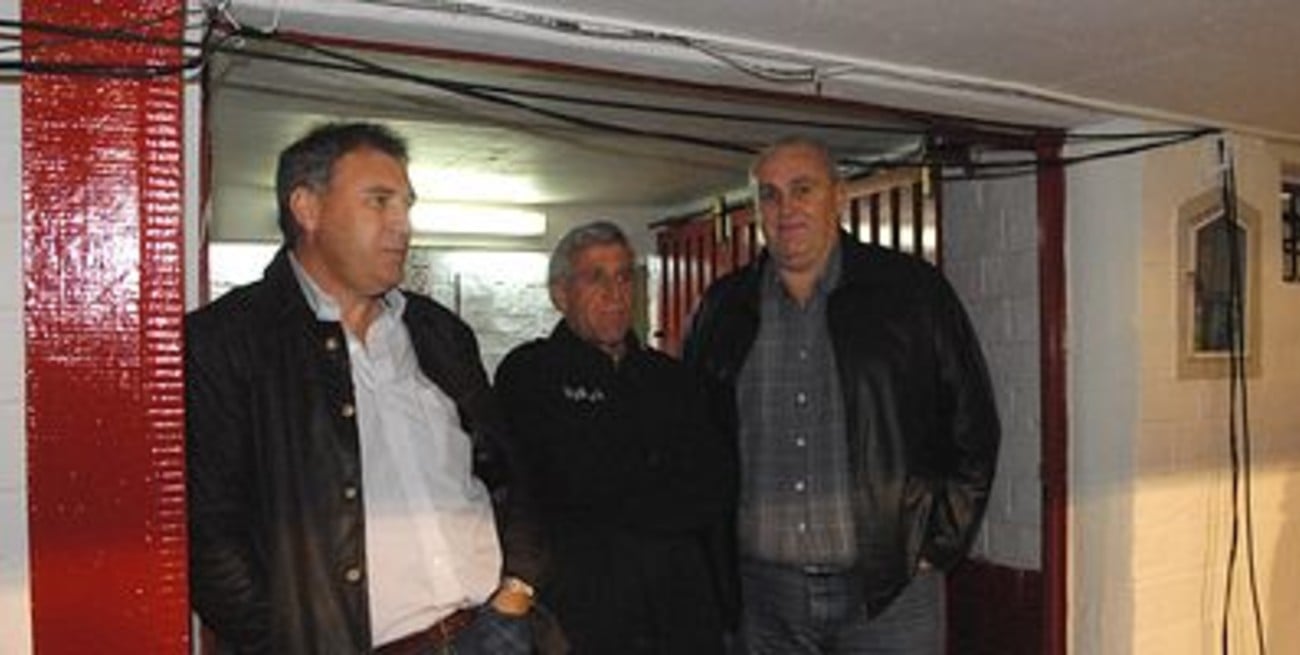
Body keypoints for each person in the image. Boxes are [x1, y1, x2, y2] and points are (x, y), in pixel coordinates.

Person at [186, 122, 550, 655]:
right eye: (379, 201)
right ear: (307, 208)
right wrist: (288, 642)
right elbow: (209, 535)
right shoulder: (229, 342)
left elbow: (507, 470)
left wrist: (517, 587)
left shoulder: (439, 333)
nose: (403, 224)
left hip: (493, 630)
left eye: (407, 205)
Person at [683, 136, 1001, 654]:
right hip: (764, 598)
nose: (786, 208)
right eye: (769, 195)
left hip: (891, 590)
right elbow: (695, 439)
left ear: (839, 197)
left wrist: (939, 545)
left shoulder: (911, 293)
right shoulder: (723, 309)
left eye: (802, 189)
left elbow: (974, 425)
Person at [495, 221, 736, 654]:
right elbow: (560, 482)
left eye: (624, 277)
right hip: (581, 616)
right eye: (596, 278)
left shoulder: (672, 379)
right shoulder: (530, 373)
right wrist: (655, 482)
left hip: (680, 611)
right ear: (560, 294)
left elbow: (712, 486)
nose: (615, 293)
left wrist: (617, 478)